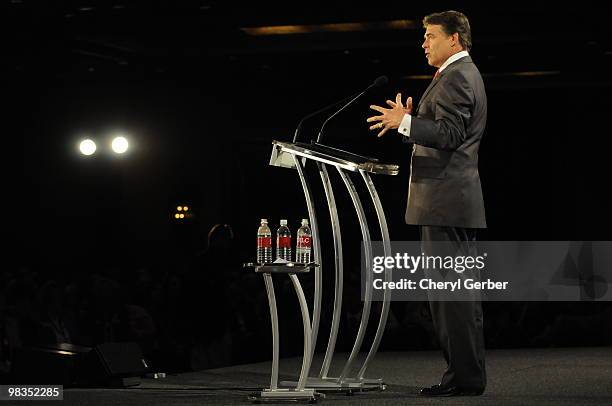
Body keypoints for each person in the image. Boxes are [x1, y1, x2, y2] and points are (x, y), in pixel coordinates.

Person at [367, 10, 487, 397]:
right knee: (453, 297)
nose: (424, 42)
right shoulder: (455, 75)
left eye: (431, 36)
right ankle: (464, 376)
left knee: (451, 299)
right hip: (447, 202)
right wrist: (410, 122)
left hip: (446, 202)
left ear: (454, 39)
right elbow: (444, 132)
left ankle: (465, 379)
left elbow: (451, 135)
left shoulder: (457, 77)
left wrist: (406, 122)